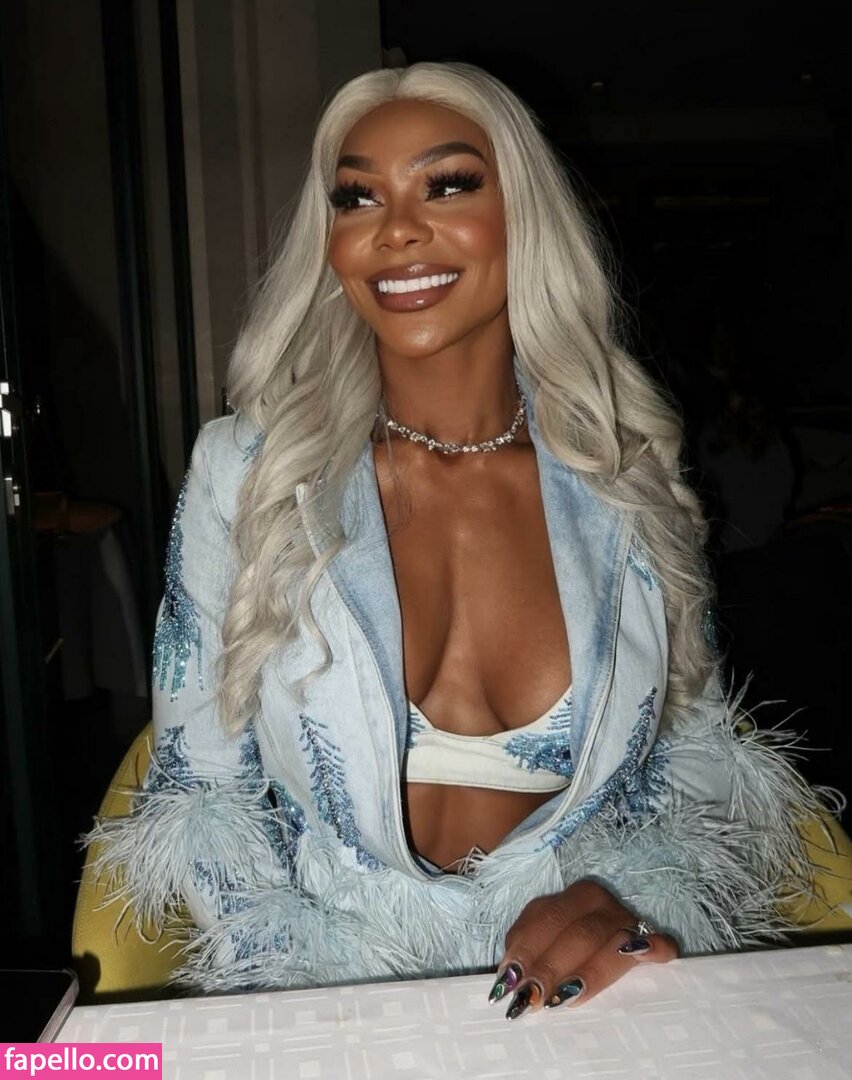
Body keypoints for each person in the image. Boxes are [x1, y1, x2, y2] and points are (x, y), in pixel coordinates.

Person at [88, 62, 826, 1018]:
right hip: (325, 990)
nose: (395, 228)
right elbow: (199, 792)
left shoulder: (625, 480)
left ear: (524, 216)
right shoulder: (249, 473)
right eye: (358, 197)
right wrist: (314, 1004)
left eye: (446, 184)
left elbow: (699, 760)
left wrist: (622, 906)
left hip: (577, 995)